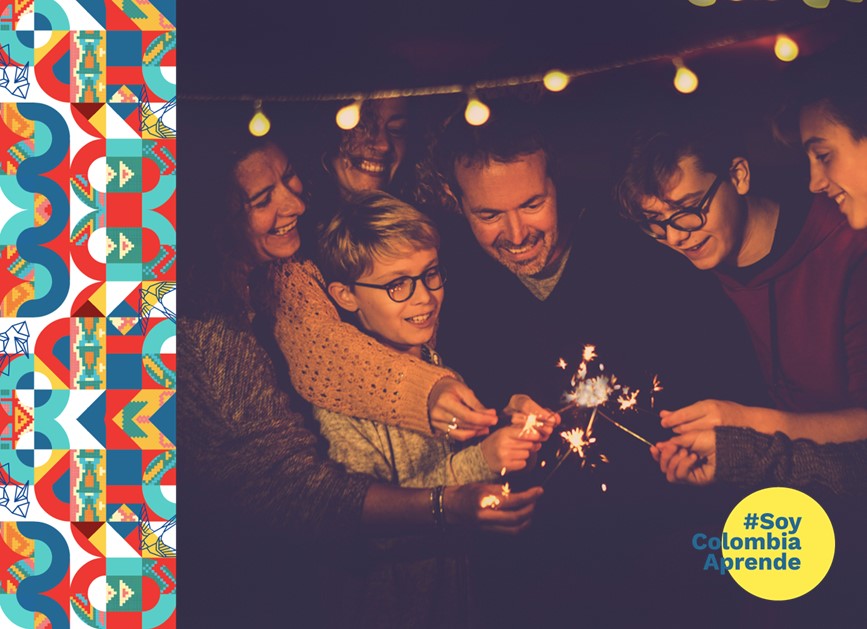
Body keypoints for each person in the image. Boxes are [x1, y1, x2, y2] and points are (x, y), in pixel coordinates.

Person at [178, 134, 545, 627]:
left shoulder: (429, 355)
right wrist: (476, 468)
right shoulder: (206, 330)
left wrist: (505, 431)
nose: (295, 203)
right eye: (262, 199)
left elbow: (316, 338)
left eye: (290, 177)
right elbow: (320, 509)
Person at [311, 191, 557, 627]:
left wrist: (511, 434)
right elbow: (363, 530)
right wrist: (481, 461)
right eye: (397, 285)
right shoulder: (341, 405)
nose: (424, 298)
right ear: (346, 295)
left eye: (430, 275)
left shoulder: (437, 365)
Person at [616, 122, 867, 444]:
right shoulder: (678, 276)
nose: (675, 237)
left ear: (738, 176)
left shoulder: (846, 248)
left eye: (688, 209)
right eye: (655, 222)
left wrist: (750, 424)